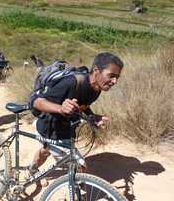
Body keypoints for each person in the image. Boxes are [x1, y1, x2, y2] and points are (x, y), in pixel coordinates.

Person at [28, 52, 124, 180]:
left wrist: (93, 117)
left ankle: (31, 170)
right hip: (50, 128)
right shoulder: (71, 83)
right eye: (111, 76)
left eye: (117, 77)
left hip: (66, 129)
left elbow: (83, 104)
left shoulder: (97, 88)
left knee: (46, 151)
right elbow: (37, 102)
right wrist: (60, 108)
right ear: (96, 71)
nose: (115, 81)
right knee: (80, 167)